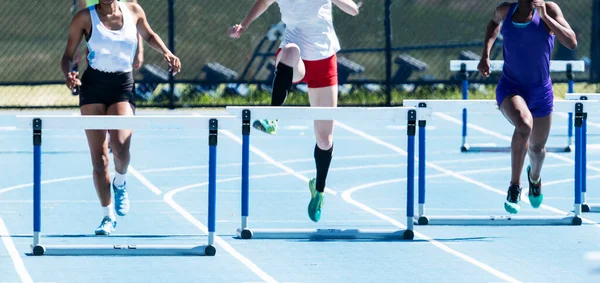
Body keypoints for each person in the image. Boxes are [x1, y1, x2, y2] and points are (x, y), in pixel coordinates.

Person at [229, 0, 361, 222]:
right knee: (290, 51)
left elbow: (353, 10)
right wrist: (244, 24)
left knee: (325, 139)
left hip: (323, 61)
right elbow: (262, 3)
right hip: (295, 60)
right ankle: (273, 118)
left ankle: (318, 189)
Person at [61, 0, 181, 235]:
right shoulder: (85, 18)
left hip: (122, 87)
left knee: (121, 147)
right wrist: (69, 75)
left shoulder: (133, 10)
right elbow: (67, 56)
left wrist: (167, 52)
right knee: (99, 160)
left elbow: (148, 35)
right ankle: (107, 216)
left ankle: (121, 182)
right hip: (93, 87)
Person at [477, 0, 577, 214]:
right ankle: (515, 186)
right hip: (511, 87)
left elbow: (571, 42)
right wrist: (485, 53)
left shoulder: (549, 10)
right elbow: (493, 24)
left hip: (541, 91)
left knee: (537, 149)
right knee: (524, 125)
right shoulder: (506, 10)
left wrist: (547, 18)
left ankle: (535, 178)